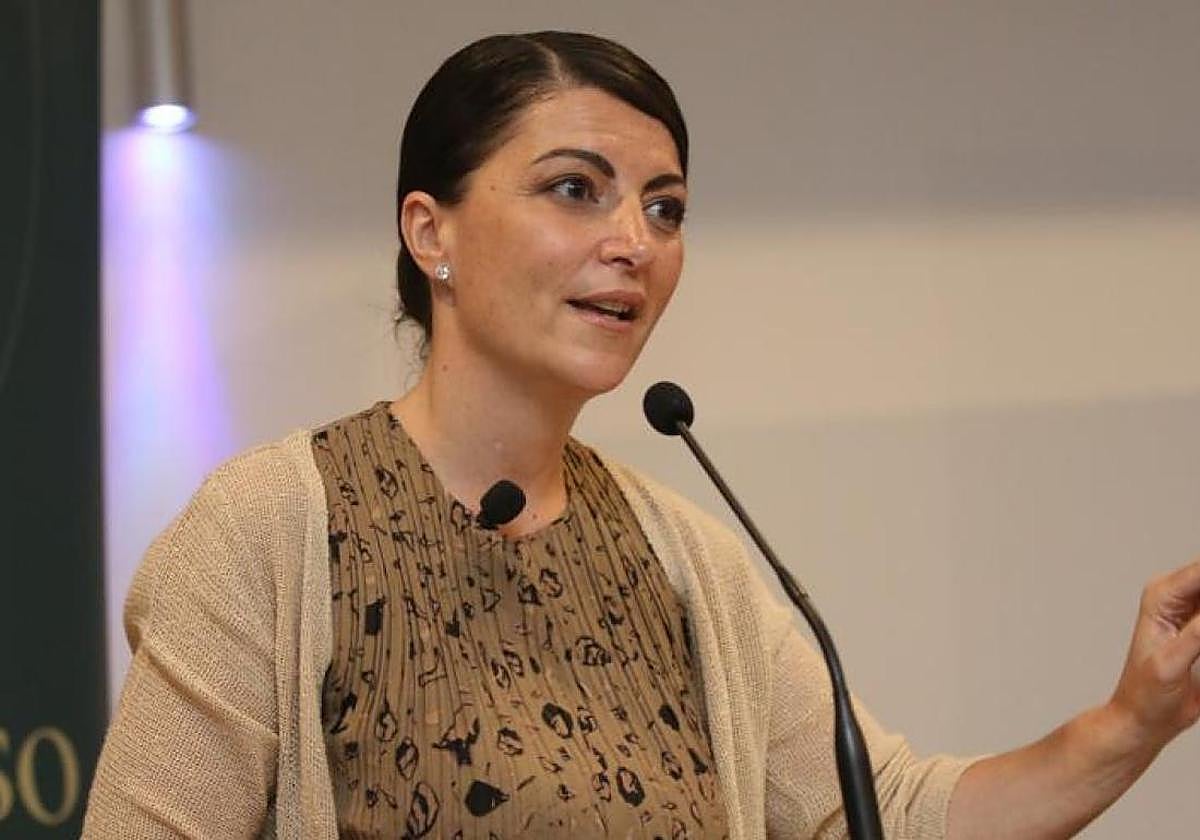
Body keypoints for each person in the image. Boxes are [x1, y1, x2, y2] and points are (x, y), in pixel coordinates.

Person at [83, 31, 1199, 840]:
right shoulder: (272, 527)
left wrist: (1132, 720)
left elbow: (888, 816)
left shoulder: (681, 560)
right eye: (577, 190)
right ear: (431, 233)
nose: (636, 241)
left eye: (665, 208)